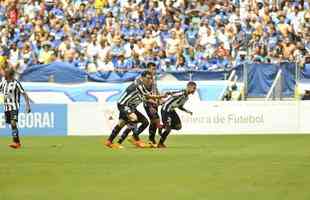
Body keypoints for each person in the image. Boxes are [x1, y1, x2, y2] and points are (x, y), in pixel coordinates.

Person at [105, 70, 163, 149]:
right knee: (134, 118)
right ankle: (134, 139)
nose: (150, 80)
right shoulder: (138, 84)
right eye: (148, 78)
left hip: (131, 107)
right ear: (142, 78)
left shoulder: (144, 86)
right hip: (124, 104)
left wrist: (157, 102)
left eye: (151, 78)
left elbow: (145, 98)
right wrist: (161, 97)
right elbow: (148, 96)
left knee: (143, 122)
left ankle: (109, 141)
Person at [158, 81, 197, 148]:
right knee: (168, 129)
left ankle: (162, 126)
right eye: (194, 88)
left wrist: (187, 111)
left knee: (178, 126)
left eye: (195, 88)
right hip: (166, 110)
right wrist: (165, 95)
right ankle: (160, 144)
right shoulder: (182, 92)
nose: (194, 90)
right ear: (189, 87)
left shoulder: (186, 97)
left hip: (172, 111)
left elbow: (180, 106)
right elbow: (171, 93)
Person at [0, 67, 31, 149]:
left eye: (6, 73)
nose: (4, 75)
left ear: (9, 75)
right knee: (11, 124)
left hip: (14, 106)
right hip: (7, 107)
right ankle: (16, 141)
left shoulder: (16, 83)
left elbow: (24, 94)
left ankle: (16, 142)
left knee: (13, 123)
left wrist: (28, 105)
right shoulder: (3, 83)